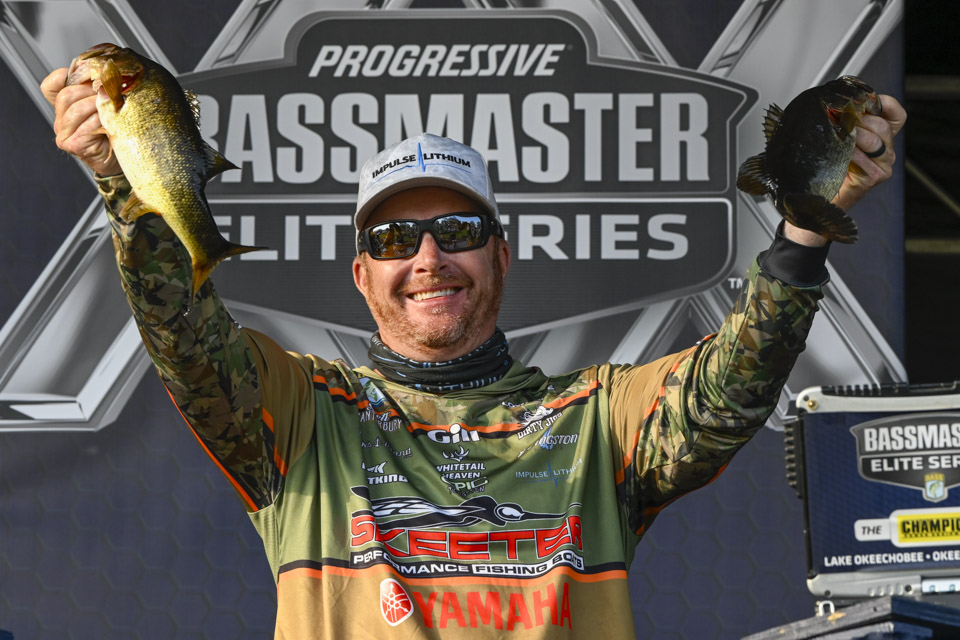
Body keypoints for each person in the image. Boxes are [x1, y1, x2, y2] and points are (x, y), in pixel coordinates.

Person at [42, 64, 905, 638]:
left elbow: (728, 390)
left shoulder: (596, 418)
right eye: (395, 239)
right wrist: (129, 179)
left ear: (501, 256)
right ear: (362, 273)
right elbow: (184, 336)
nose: (427, 258)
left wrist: (804, 229)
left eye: (456, 230)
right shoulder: (303, 413)